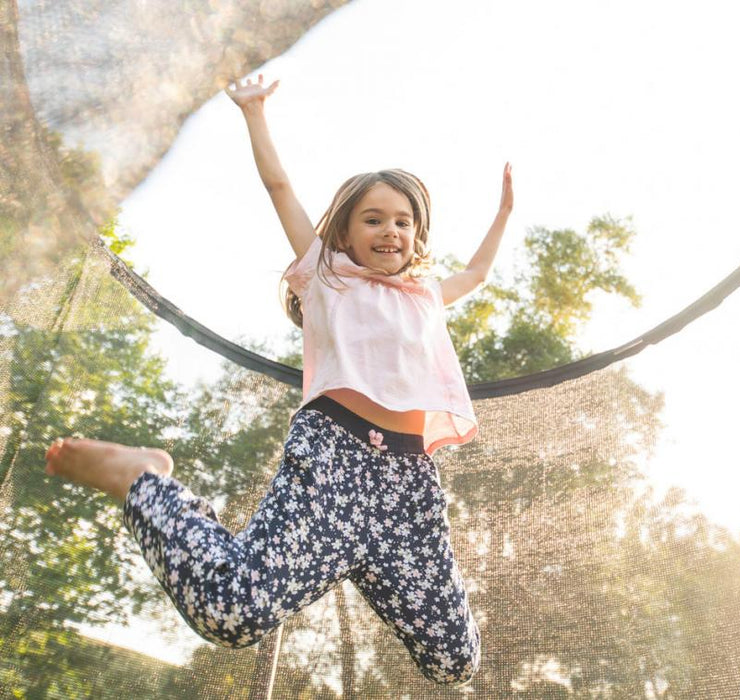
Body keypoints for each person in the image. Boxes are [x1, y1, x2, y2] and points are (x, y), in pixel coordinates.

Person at [44, 74, 513, 686]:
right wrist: (255, 113)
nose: (390, 232)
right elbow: (279, 185)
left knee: (456, 662)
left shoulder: (425, 295)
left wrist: (503, 213)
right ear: (344, 233)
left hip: (408, 484)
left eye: (403, 222)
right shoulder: (326, 275)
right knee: (232, 613)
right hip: (334, 460)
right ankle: (147, 480)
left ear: (416, 236)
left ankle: (368, 567)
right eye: (373, 220)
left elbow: (475, 271)